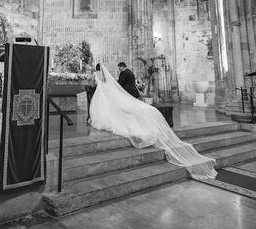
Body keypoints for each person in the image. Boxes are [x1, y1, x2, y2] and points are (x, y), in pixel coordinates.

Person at [89, 63, 217, 180]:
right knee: (134, 109)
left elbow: (110, 85)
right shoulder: (128, 73)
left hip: (120, 93)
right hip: (126, 93)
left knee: (121, 112)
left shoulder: (107, 76)